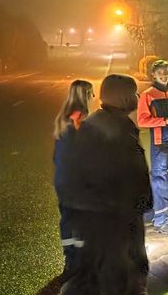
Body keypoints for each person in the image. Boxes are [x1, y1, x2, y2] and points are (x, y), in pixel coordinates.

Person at [61, 74, 152, 294]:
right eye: (134, 92)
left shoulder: (94, 122)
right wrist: (143, 204)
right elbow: (132, 176)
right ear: (123, 97)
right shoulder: (119, 131)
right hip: (117, 224)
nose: (138, 97)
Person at [52, 79, 94, 279]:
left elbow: (57, 154)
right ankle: (82, 264)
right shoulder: (80, 118)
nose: (93, 98)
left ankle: (70, 262)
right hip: (78, 180)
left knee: (68, 220)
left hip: (63, 178)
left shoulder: (63, 118)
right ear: (85, 95)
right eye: (91, 94)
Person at [137, 60, 168, 234]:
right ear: (153, 74)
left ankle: (156, 215)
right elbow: (142, 120)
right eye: (160, 72)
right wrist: (165, 121)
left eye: (166, 71)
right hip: (160, 142)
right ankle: (161, 221)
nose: (163, 75)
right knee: (160, 180)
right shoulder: (147, 95)